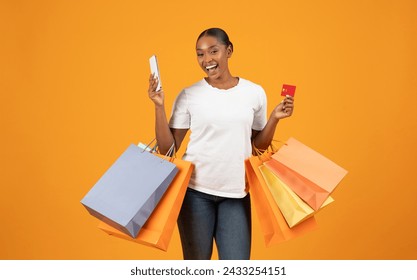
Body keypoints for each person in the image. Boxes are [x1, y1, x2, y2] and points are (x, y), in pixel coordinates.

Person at [148, 27, 294, 260]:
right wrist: (158, 106)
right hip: (195, 194)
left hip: (236, 194)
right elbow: (169, 150)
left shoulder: (254, 93)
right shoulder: (189, 95)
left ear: (229, 50)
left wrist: (274, 118)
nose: (207, 60)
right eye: (200, 54)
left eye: (213, 51)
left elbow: (258, 146)